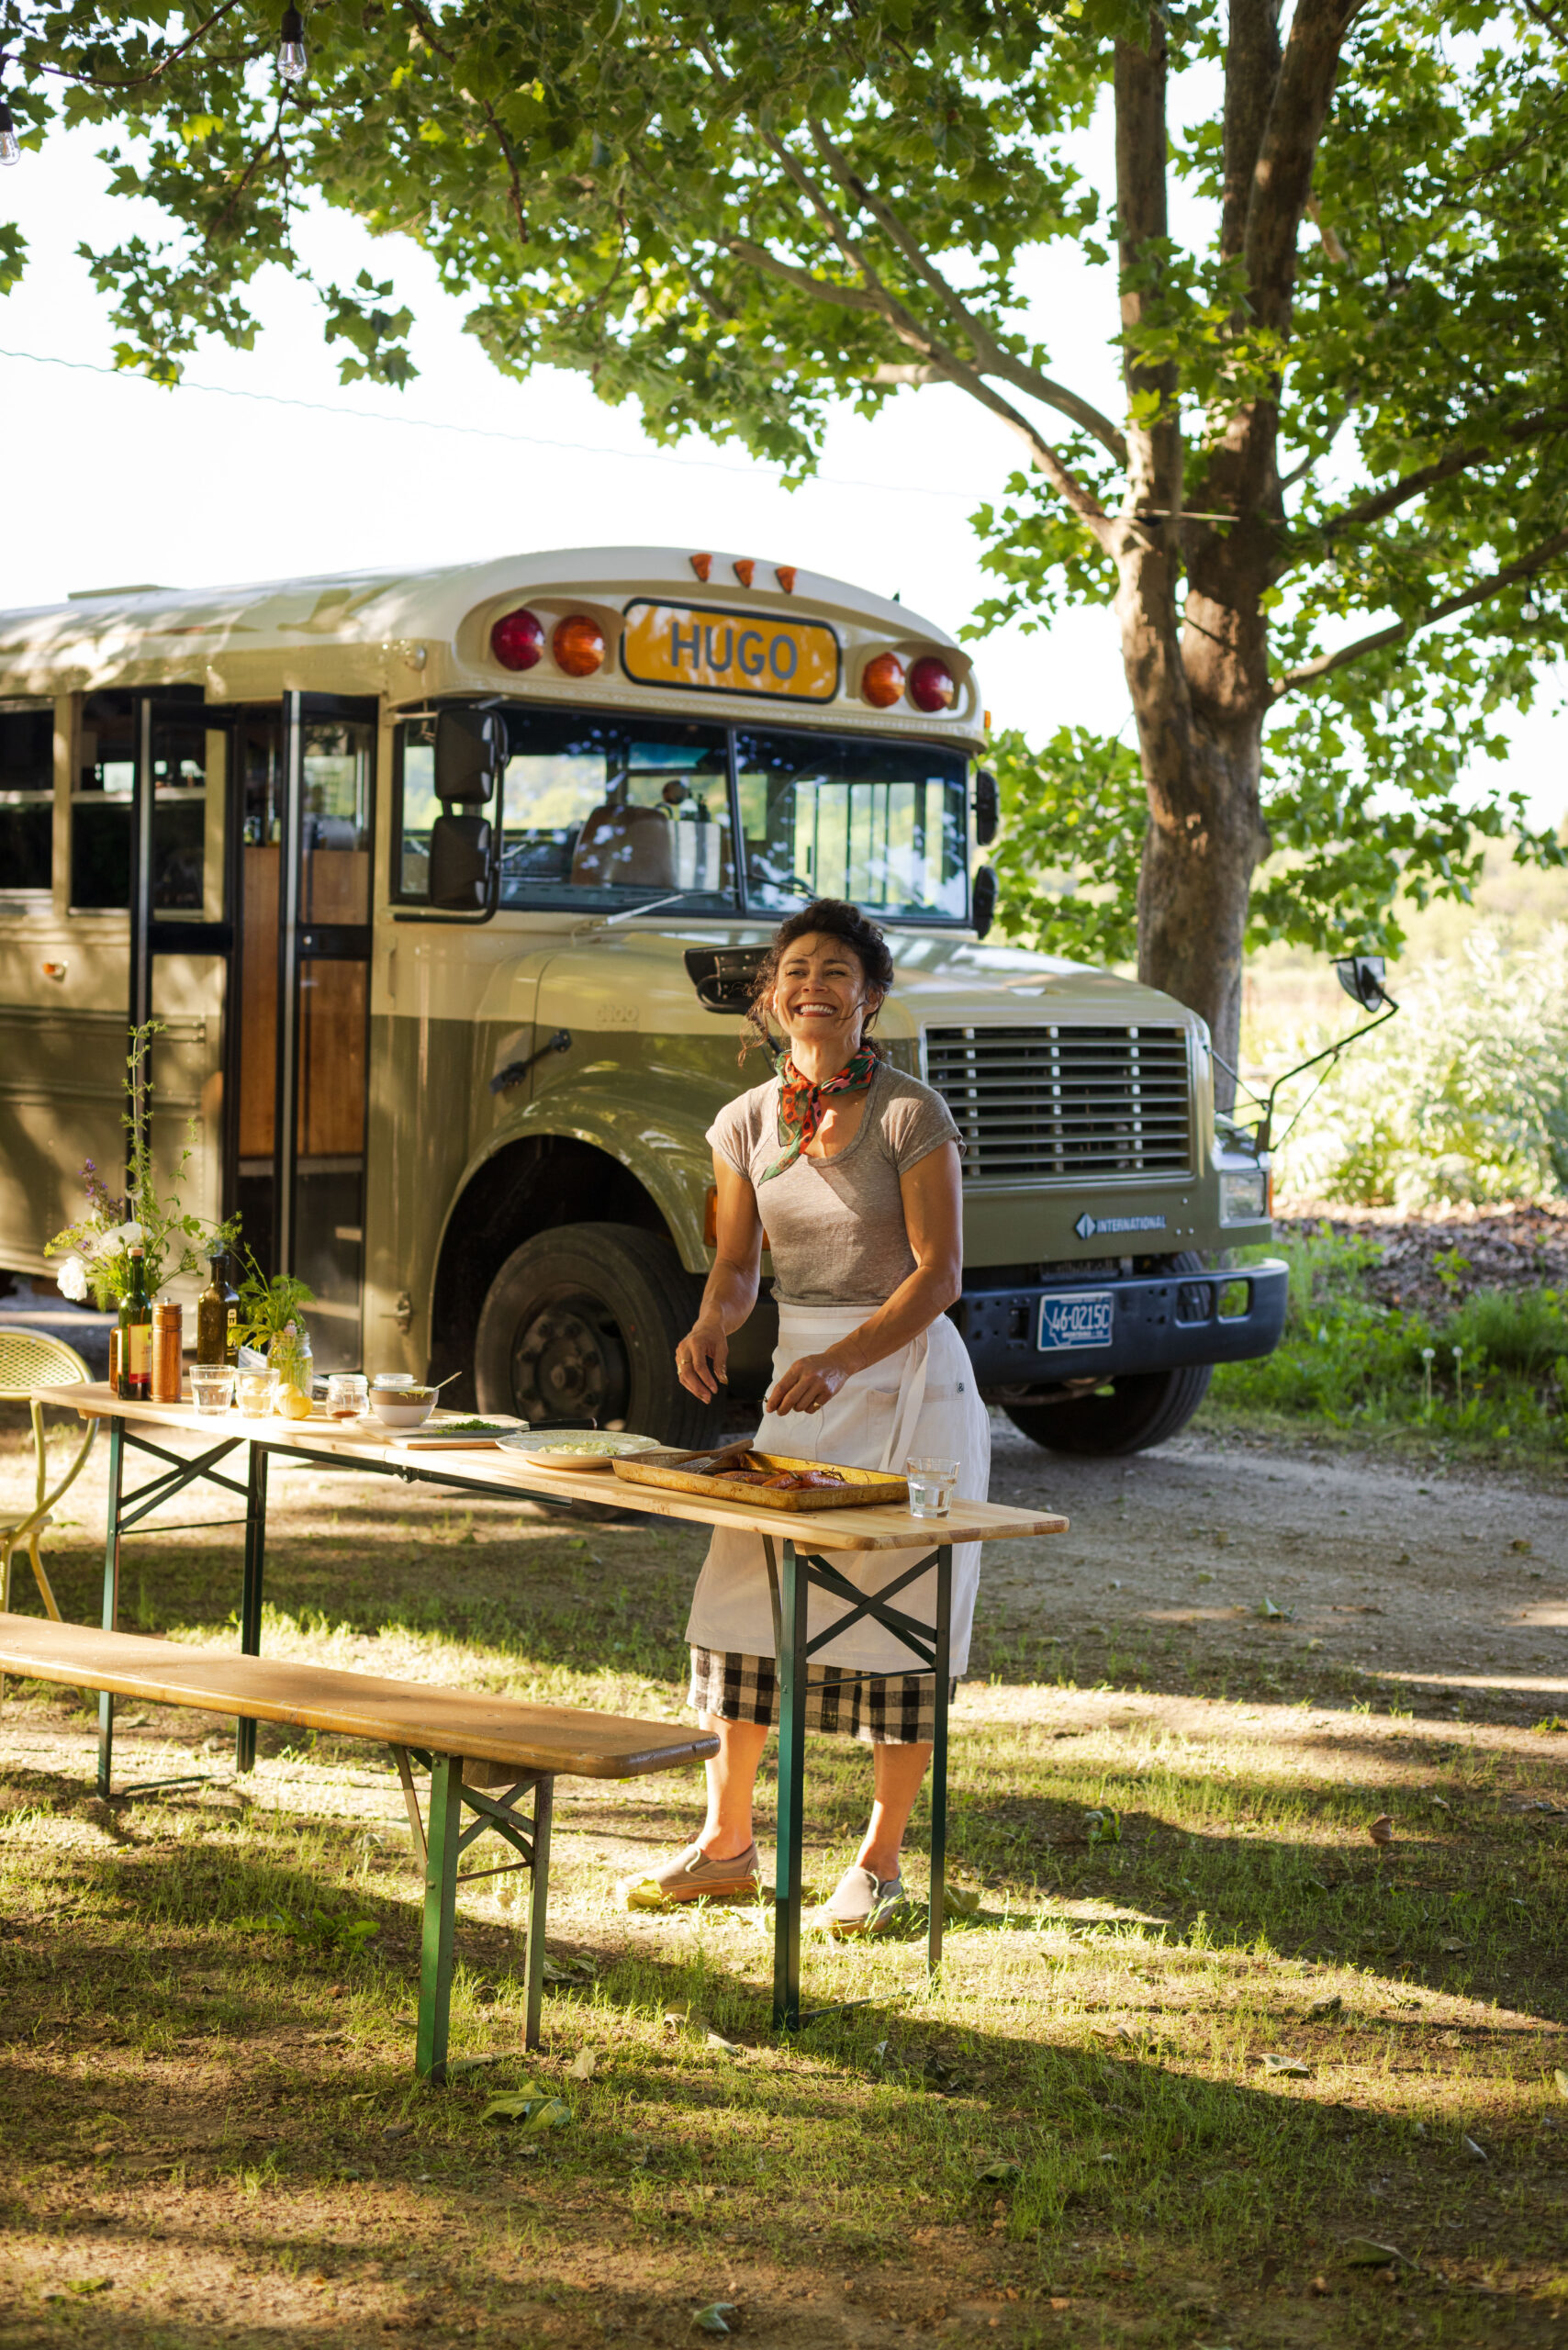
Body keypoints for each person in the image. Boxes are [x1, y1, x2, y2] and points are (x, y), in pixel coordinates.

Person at [635, 897, 990, 1934]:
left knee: (898, 1615)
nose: (812, 985)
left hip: (908, 1382)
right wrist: (711, 1322)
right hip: (802, 1381)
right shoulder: (744, 1121)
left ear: (870, 999)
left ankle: (876, 1862)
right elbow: (740, 1267)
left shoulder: (909, 1114)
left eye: (836, 970)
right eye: (795, 969)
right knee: (745, 1598)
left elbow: (940, 1275)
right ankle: (727, 1845)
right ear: (769, 996)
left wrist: (842, 1357)